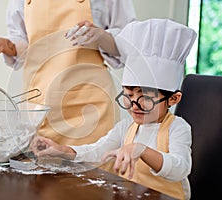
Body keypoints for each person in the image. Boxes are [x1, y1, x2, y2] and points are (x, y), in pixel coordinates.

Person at [30, 19, 197, 200]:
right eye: (129, 95)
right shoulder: (126, 127)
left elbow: (180, 168)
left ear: (173, 98)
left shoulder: (178, 128)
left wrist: (140, 149)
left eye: (145, 97)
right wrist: (63, 150)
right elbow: (98, 150)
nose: (135, 105)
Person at [0, 0, 136, 146]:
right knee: (39, 176)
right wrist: (5, 45)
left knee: (89, 176)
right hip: (37, 107)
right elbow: (25, 43)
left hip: (90, 108)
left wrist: (101, 36)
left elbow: (127, 41)